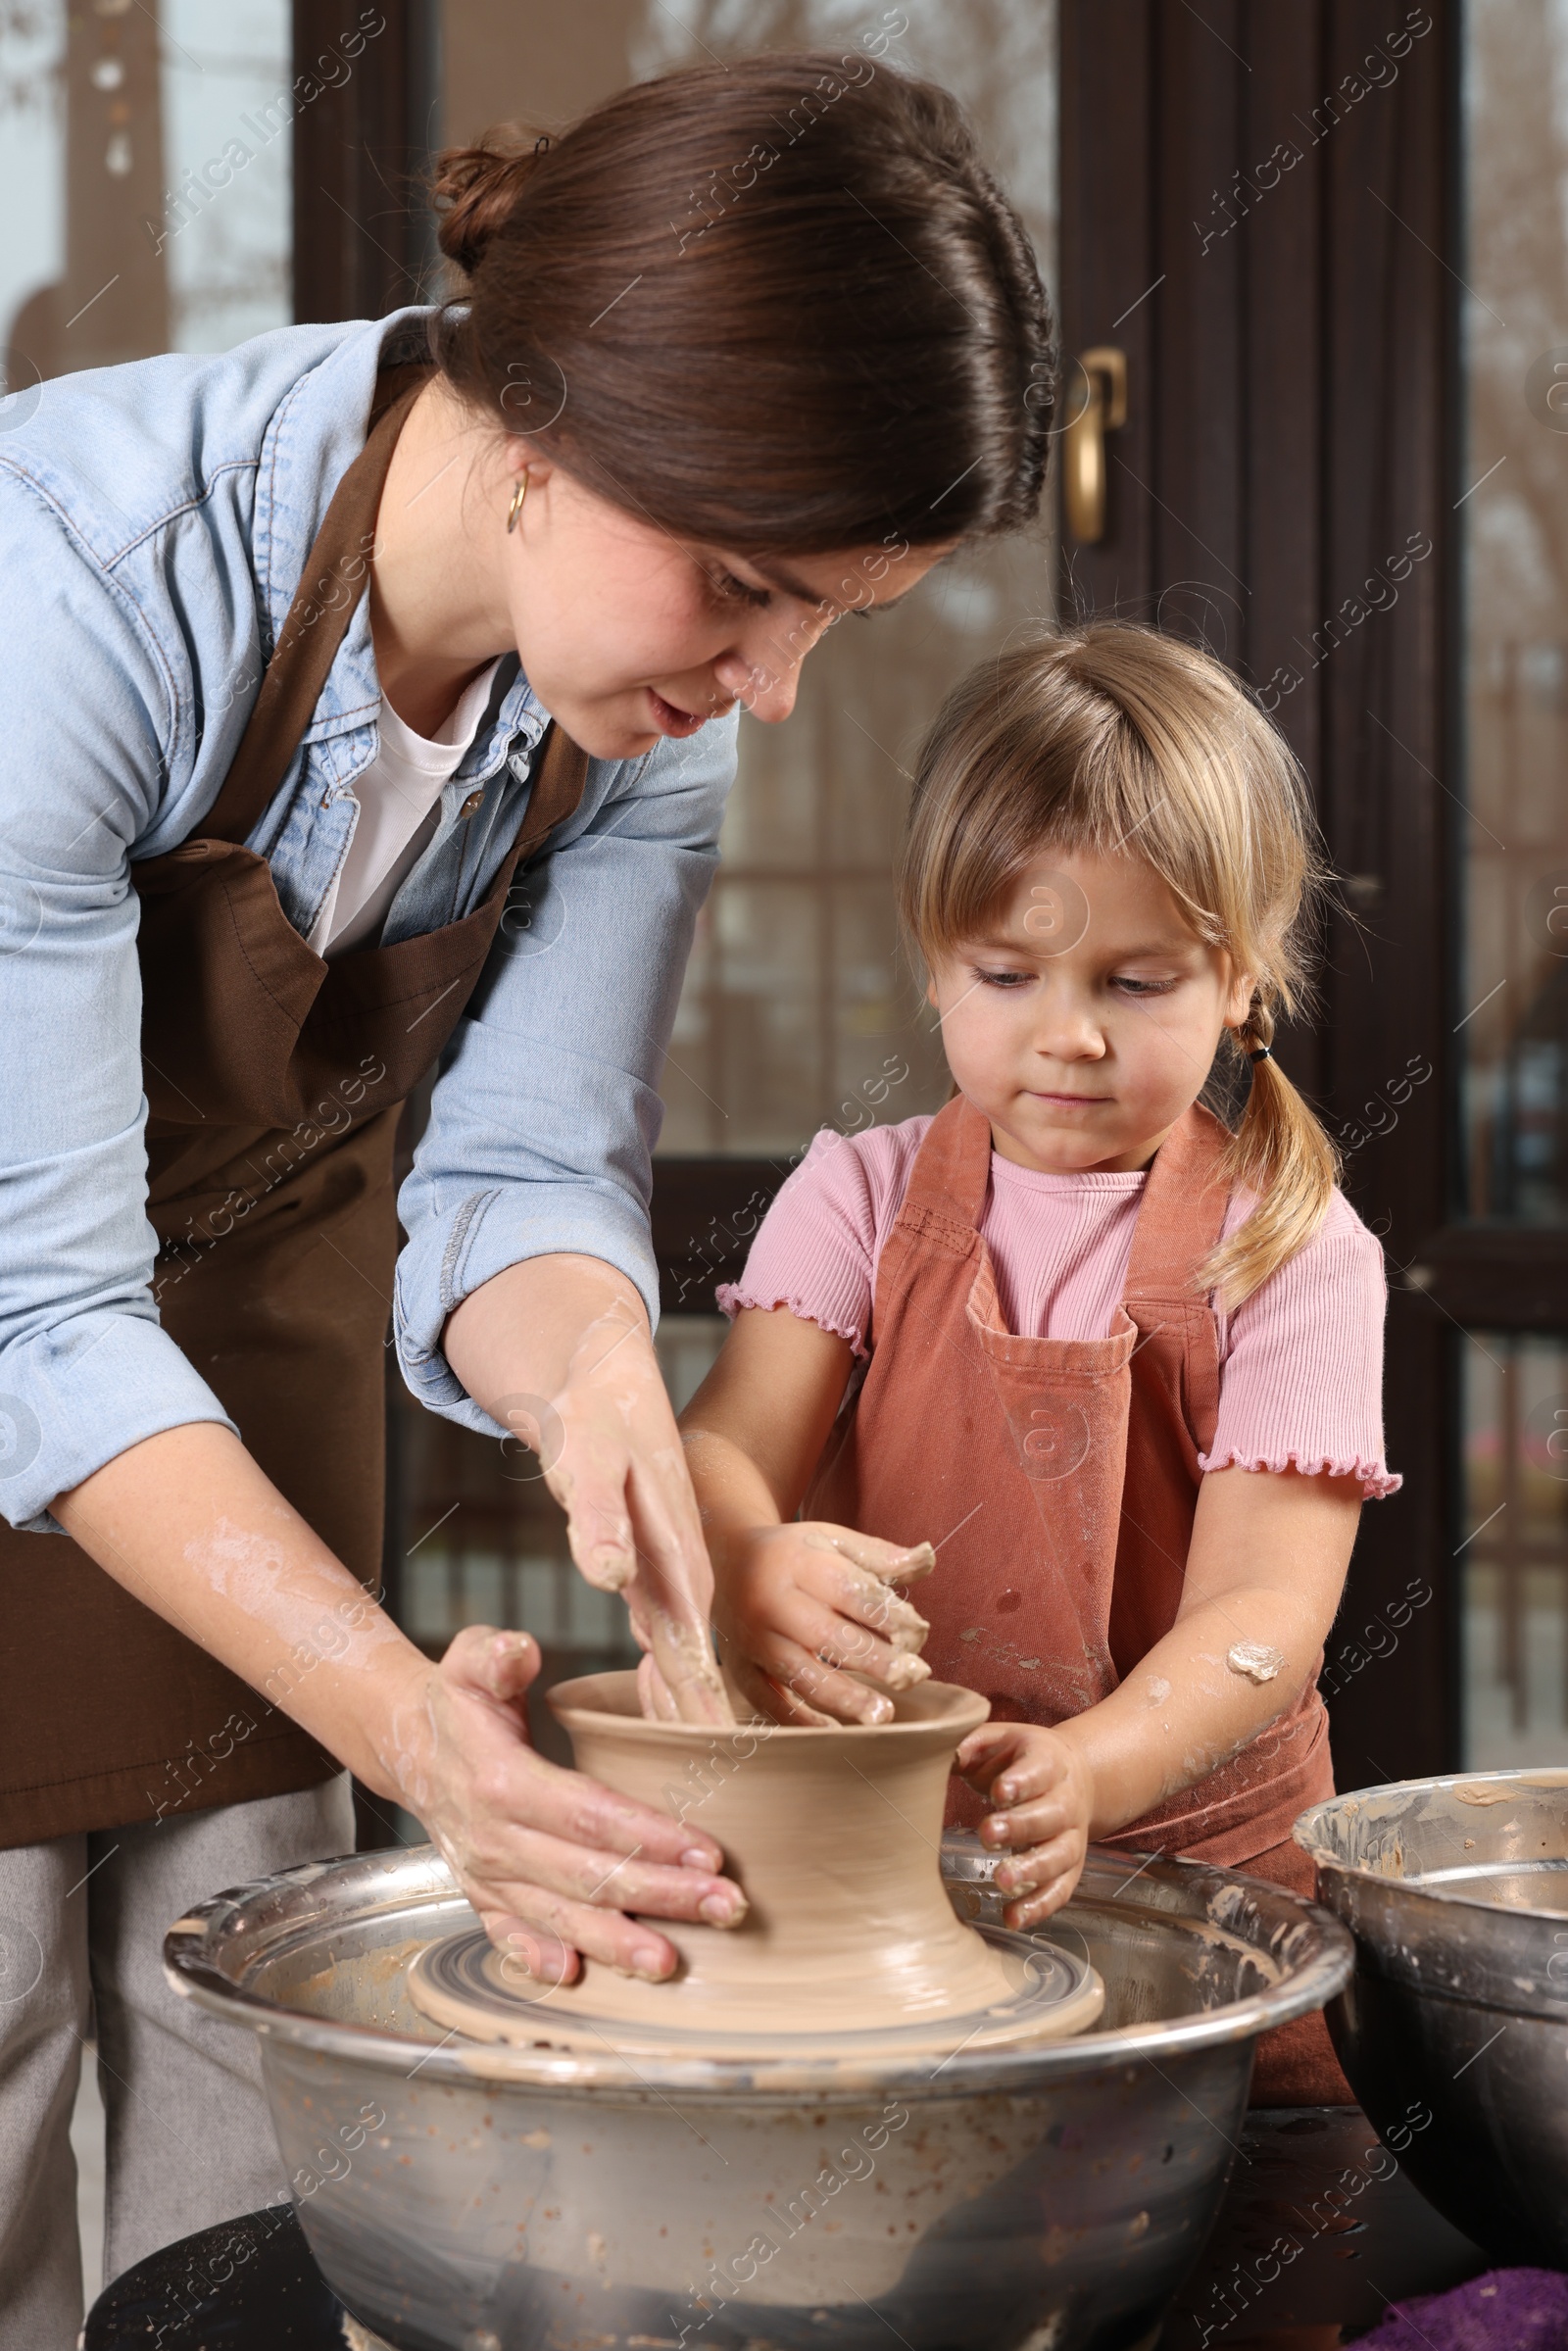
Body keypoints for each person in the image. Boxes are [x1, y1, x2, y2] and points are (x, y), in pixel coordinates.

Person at [0, 50, 1054, 2339]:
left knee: (254, 2016)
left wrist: (623, 1435)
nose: (771, 690)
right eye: (751, 591)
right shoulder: (71, 585)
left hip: (242, 1346)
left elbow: (516, 1167)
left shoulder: (624, 716)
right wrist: (409, 1721)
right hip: (27, 1311)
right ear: (556, 424)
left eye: (830, 625)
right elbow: (35, 1315)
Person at [679, 623, 1398, 2104]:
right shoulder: (859, 1197)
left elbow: (1267, 1613)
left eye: (1136, 985)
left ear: (1242, 982)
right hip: (894, 1877)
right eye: (1008, 972)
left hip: (1215, 1904)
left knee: (1237, 2269)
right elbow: (725, 1449)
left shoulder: (1293, 1247)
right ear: (934, 961)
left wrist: (1097, 1774)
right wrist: (744, 1559)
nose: (1065, 1037)